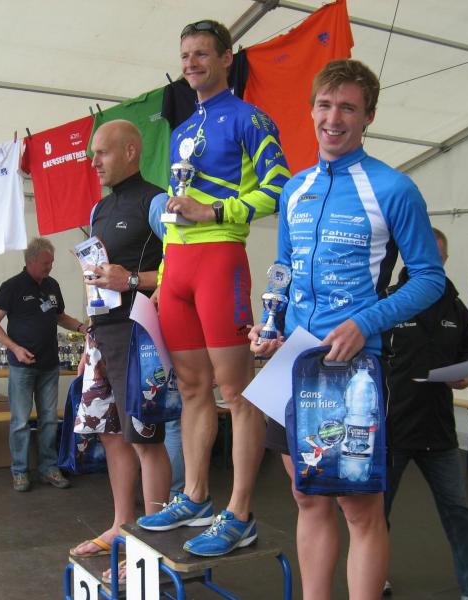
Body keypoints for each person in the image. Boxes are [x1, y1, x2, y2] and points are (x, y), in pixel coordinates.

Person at [250, 59, 445, 599]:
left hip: (352, 368)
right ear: (311, 109)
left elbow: (429, 278)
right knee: (306, 496)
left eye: (348, 108)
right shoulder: (295, 189)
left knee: (359, 510)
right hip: (292, 361)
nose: (333, 119)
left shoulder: (394, 187)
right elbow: (284, 271)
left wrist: (365, 322)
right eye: (325, 105)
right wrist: (272, 326)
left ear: (368, 117)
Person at [135, 19, 291, 558]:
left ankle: (240, 513)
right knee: (191, 389)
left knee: (236, 391)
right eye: (185, 55)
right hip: (178, 267)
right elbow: (172, 208)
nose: (191, 63)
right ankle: (196, 496)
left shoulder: (250, 118)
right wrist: (164, 274)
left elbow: (279, 187)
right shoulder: (182, 129)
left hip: (220, 259)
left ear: (227, 58)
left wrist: (215, 211)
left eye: (202, 54)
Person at [382, 228, 468, 600]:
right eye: (425, 255)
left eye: (438, 258)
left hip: (438, 431)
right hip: (392, 427)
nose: (432, 263)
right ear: (411, 255)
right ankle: (373, 576)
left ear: (445, 260)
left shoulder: (455, 308)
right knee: (374, 512)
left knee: (459, 509)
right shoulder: (388, 302)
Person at [69, 120, 174, 570]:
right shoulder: (99, 208)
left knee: (145, 438)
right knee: (111, 434)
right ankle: (121, 525)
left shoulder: (156, 202)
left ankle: (152, 543)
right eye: (92, 154)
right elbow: (95, 277)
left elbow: (181, 267)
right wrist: (88, 338)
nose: (94, 162)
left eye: (103, 153)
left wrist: (130, 279)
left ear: (131, 151)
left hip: (139, 334)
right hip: (103, 334)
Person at [0, 237, 87, 492]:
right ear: (31, 261)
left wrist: (80, 327)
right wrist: (15, 348)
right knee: (20, 420)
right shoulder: (12, 287)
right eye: (45, 262)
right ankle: (20, 471)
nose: (50, 266)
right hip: (21, 367)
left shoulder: (52, 285)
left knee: (49, 420)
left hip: (49, 364)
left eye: (51, 262)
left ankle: (48, 468)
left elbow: (59, 316)